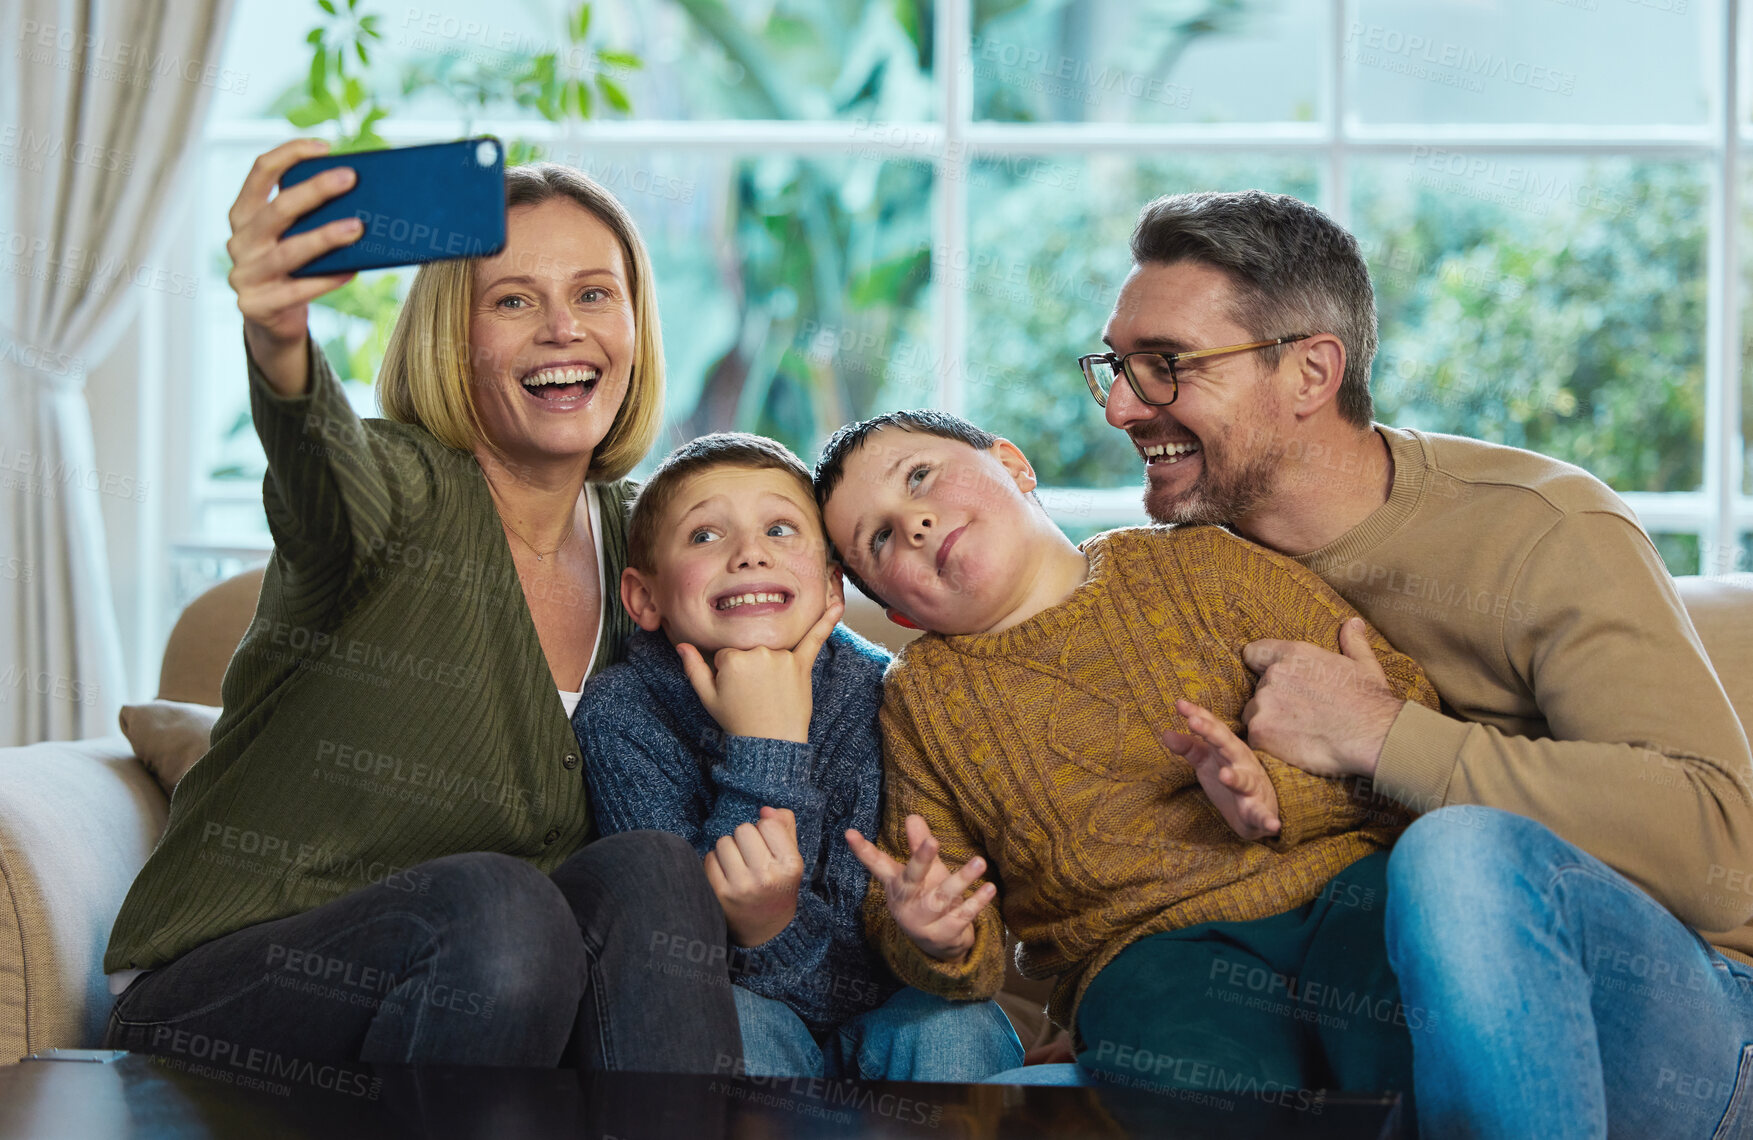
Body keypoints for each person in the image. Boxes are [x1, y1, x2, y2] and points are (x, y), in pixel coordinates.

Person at [1091, 188, 1753, 1137]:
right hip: (1386, 1018)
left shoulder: (1540, 529)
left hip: (1687, 1030)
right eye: (1115, 367)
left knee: (1455, 854)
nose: (1121, 407)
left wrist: (1380, 735)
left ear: (1310, 371)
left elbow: (1719, 841)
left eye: (1166, 367)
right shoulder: (1169, 584)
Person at [102, 139, 741, 1072]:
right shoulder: (395, 488)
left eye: (594, 294)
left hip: (476, 1007)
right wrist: (279, 339)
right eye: (513, 299)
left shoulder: (644, 543)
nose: (563, 327)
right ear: (453, 336)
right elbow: (320, 469)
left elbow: (794, 597)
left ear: (636, 325)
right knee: (506, 907)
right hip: (229, 996)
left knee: (651, 872)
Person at [811, 408, 1440, 1100]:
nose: (914, 523)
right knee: (1197, 1082)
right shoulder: (920, 703)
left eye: (920, 477)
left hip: (1341, 887)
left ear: (1013, 463)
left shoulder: (1201, 562)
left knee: (1413, 1027)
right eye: (878, 538)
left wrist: (1278, 792)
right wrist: (935, 934)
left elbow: (1408, 714)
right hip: (1146, 953)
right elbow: (935, 891)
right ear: (897, 611)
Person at [574, 432, 1024, 1080]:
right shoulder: (623, 715)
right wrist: (767, 747)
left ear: (832, 585)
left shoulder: (886, 693)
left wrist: (931, 933)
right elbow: (677, 962)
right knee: (740, 1025)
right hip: (739, 1007)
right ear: (644, 597)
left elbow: (889, 949)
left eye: (780, 530)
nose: (749, 555)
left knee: (957, 1027)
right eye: (705, 536)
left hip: (883, 1010)